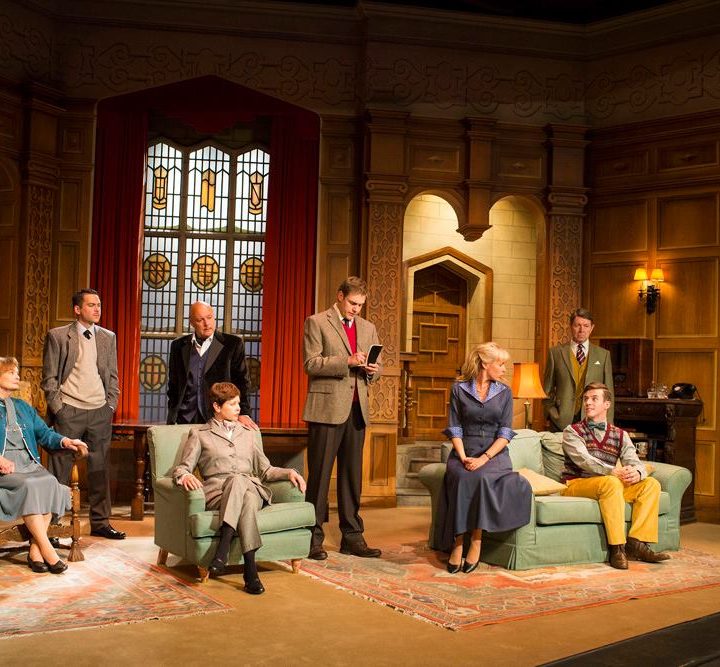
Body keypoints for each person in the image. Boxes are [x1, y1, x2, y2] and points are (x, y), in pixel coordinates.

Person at [173, 382, 305, 595]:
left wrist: (288, 472)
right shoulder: (200, 434)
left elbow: (265, 471)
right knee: (244, 496)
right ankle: (250, 571)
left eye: (238, 403)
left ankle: (222, 549)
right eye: (232, 404)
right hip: (217, 493)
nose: (238, 408)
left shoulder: (248, 433)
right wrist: (185, 475)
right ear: (217, 406)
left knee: (240, 482)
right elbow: (182, 467)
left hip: (251, 486)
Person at [302, 276, 382, 561]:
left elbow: (377, 367)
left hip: (357, 410)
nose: (356, 310)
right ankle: (312, 536)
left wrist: (372, 368)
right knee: (320, 477)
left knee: (351, 477)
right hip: (326, 410)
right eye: (352, 303)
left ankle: (352, 536)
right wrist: (345, 362)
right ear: (339, 296)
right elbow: (310, 363)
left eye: (360, 305)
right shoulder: (317, 322)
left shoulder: (368, 327)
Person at [435, 342, 532, 573]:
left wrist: (483, 458)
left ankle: (476, 540)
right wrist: (463, 456)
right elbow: (454, 427)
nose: (504, 369)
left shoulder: (505, 392)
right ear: (485, 364)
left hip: (495, 455)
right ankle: (458, 542)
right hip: (464, 451)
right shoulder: (459, 389)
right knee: (459, 477)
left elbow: (505, 433)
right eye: (501, 364)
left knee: (481, 478)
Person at [41, 288, 125, 540]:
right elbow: (50, 378)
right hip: (70, 411)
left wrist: (110, 405)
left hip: (99, 410)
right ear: (78, 309)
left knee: (100, 469)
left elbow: (112, 375)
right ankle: (54, 524)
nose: (97, 309)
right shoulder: (58, 336)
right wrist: (59, 410)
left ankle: (100, 522)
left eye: (99, 304)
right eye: (91, 305)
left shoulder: (108, 337)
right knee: (60, 469)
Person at [561, 382, 670, 569]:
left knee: (650, 484)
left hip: (609, 486)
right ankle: (617, 548)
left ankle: (637, 543)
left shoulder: (620, 435)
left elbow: (634, 461)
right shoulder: (572, 431)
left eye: (594, 399)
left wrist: (637, 472)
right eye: (586, 399)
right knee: (612, 482)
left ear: (607, 404)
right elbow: (584, 460)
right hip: (577, 484)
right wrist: (611, 471)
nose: (588, 403)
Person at [0, 356, 88, 573]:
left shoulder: (23, 407)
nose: (17, 376)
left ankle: (35, 550)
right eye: (11, 372)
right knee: (31, 486)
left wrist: (65, 441)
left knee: (49, 482)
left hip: (28, 464)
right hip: (6, 468)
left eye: (17, 372)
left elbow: (44, 433)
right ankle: (47, 550)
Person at [167, 301, 257, 430]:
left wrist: (243, 412)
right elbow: (173, 385)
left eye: (209, 317)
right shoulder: (178, 346)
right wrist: (173, 413)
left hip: (218, 419)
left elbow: (242, 382)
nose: (207, 324)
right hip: (184, 419)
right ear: (191, 322)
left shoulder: (232, 344)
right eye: (200, 320)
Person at [543, 308, 613, 432]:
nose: (582, 330)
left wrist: (607, 424)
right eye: (577, 325)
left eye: (586, 326)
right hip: (561, 421)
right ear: (571, 327)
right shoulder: (555, 353)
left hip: (593, 421)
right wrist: (554, 415)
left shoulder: (603, 355)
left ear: (592, 328)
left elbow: (608, 393)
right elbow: (546, 391)